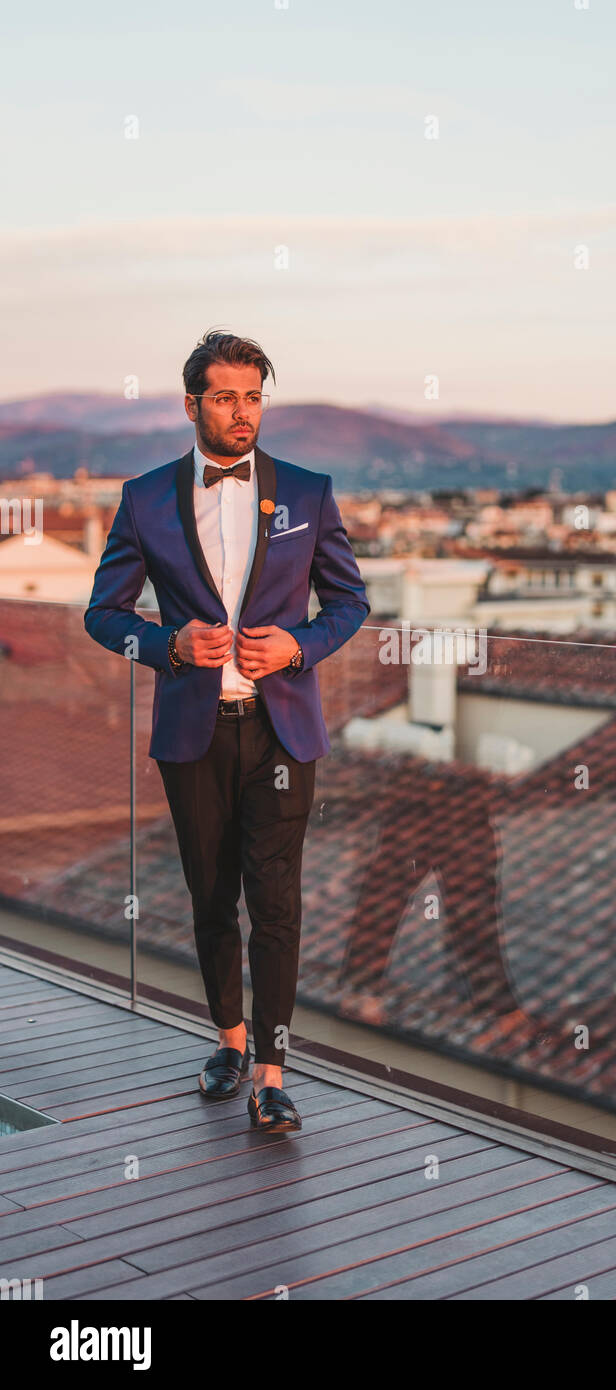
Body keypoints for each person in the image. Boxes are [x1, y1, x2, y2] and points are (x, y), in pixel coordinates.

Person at [84, 329, 370, 1132]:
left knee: (276, 904)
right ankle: (230, 1042)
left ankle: (274, 1076)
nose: (242, 412)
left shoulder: (308, 493)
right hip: (194, 734)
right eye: (224, 397)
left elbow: (349, 603)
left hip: (282, 732)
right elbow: (103, 615)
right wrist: (165, 644)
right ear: (191, 405)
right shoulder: (145, 498)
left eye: (253, 397)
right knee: (212, 897)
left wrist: (300, 645)